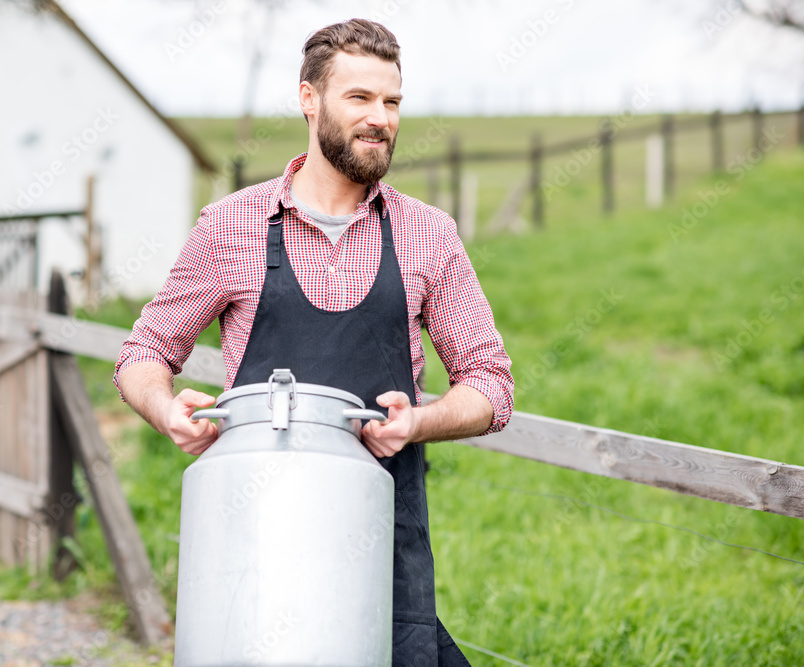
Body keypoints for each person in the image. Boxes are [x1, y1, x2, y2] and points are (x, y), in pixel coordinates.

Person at [114, 18, 513, 666]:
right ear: (309, 98)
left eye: (392, 101)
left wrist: (420, 421)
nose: (380, 118)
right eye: (359, 98)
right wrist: (163, 408)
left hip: (382, 549)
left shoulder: (427, 234)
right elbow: (144, 352)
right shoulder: (231, 226)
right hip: (255, 554)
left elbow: (492, 385)